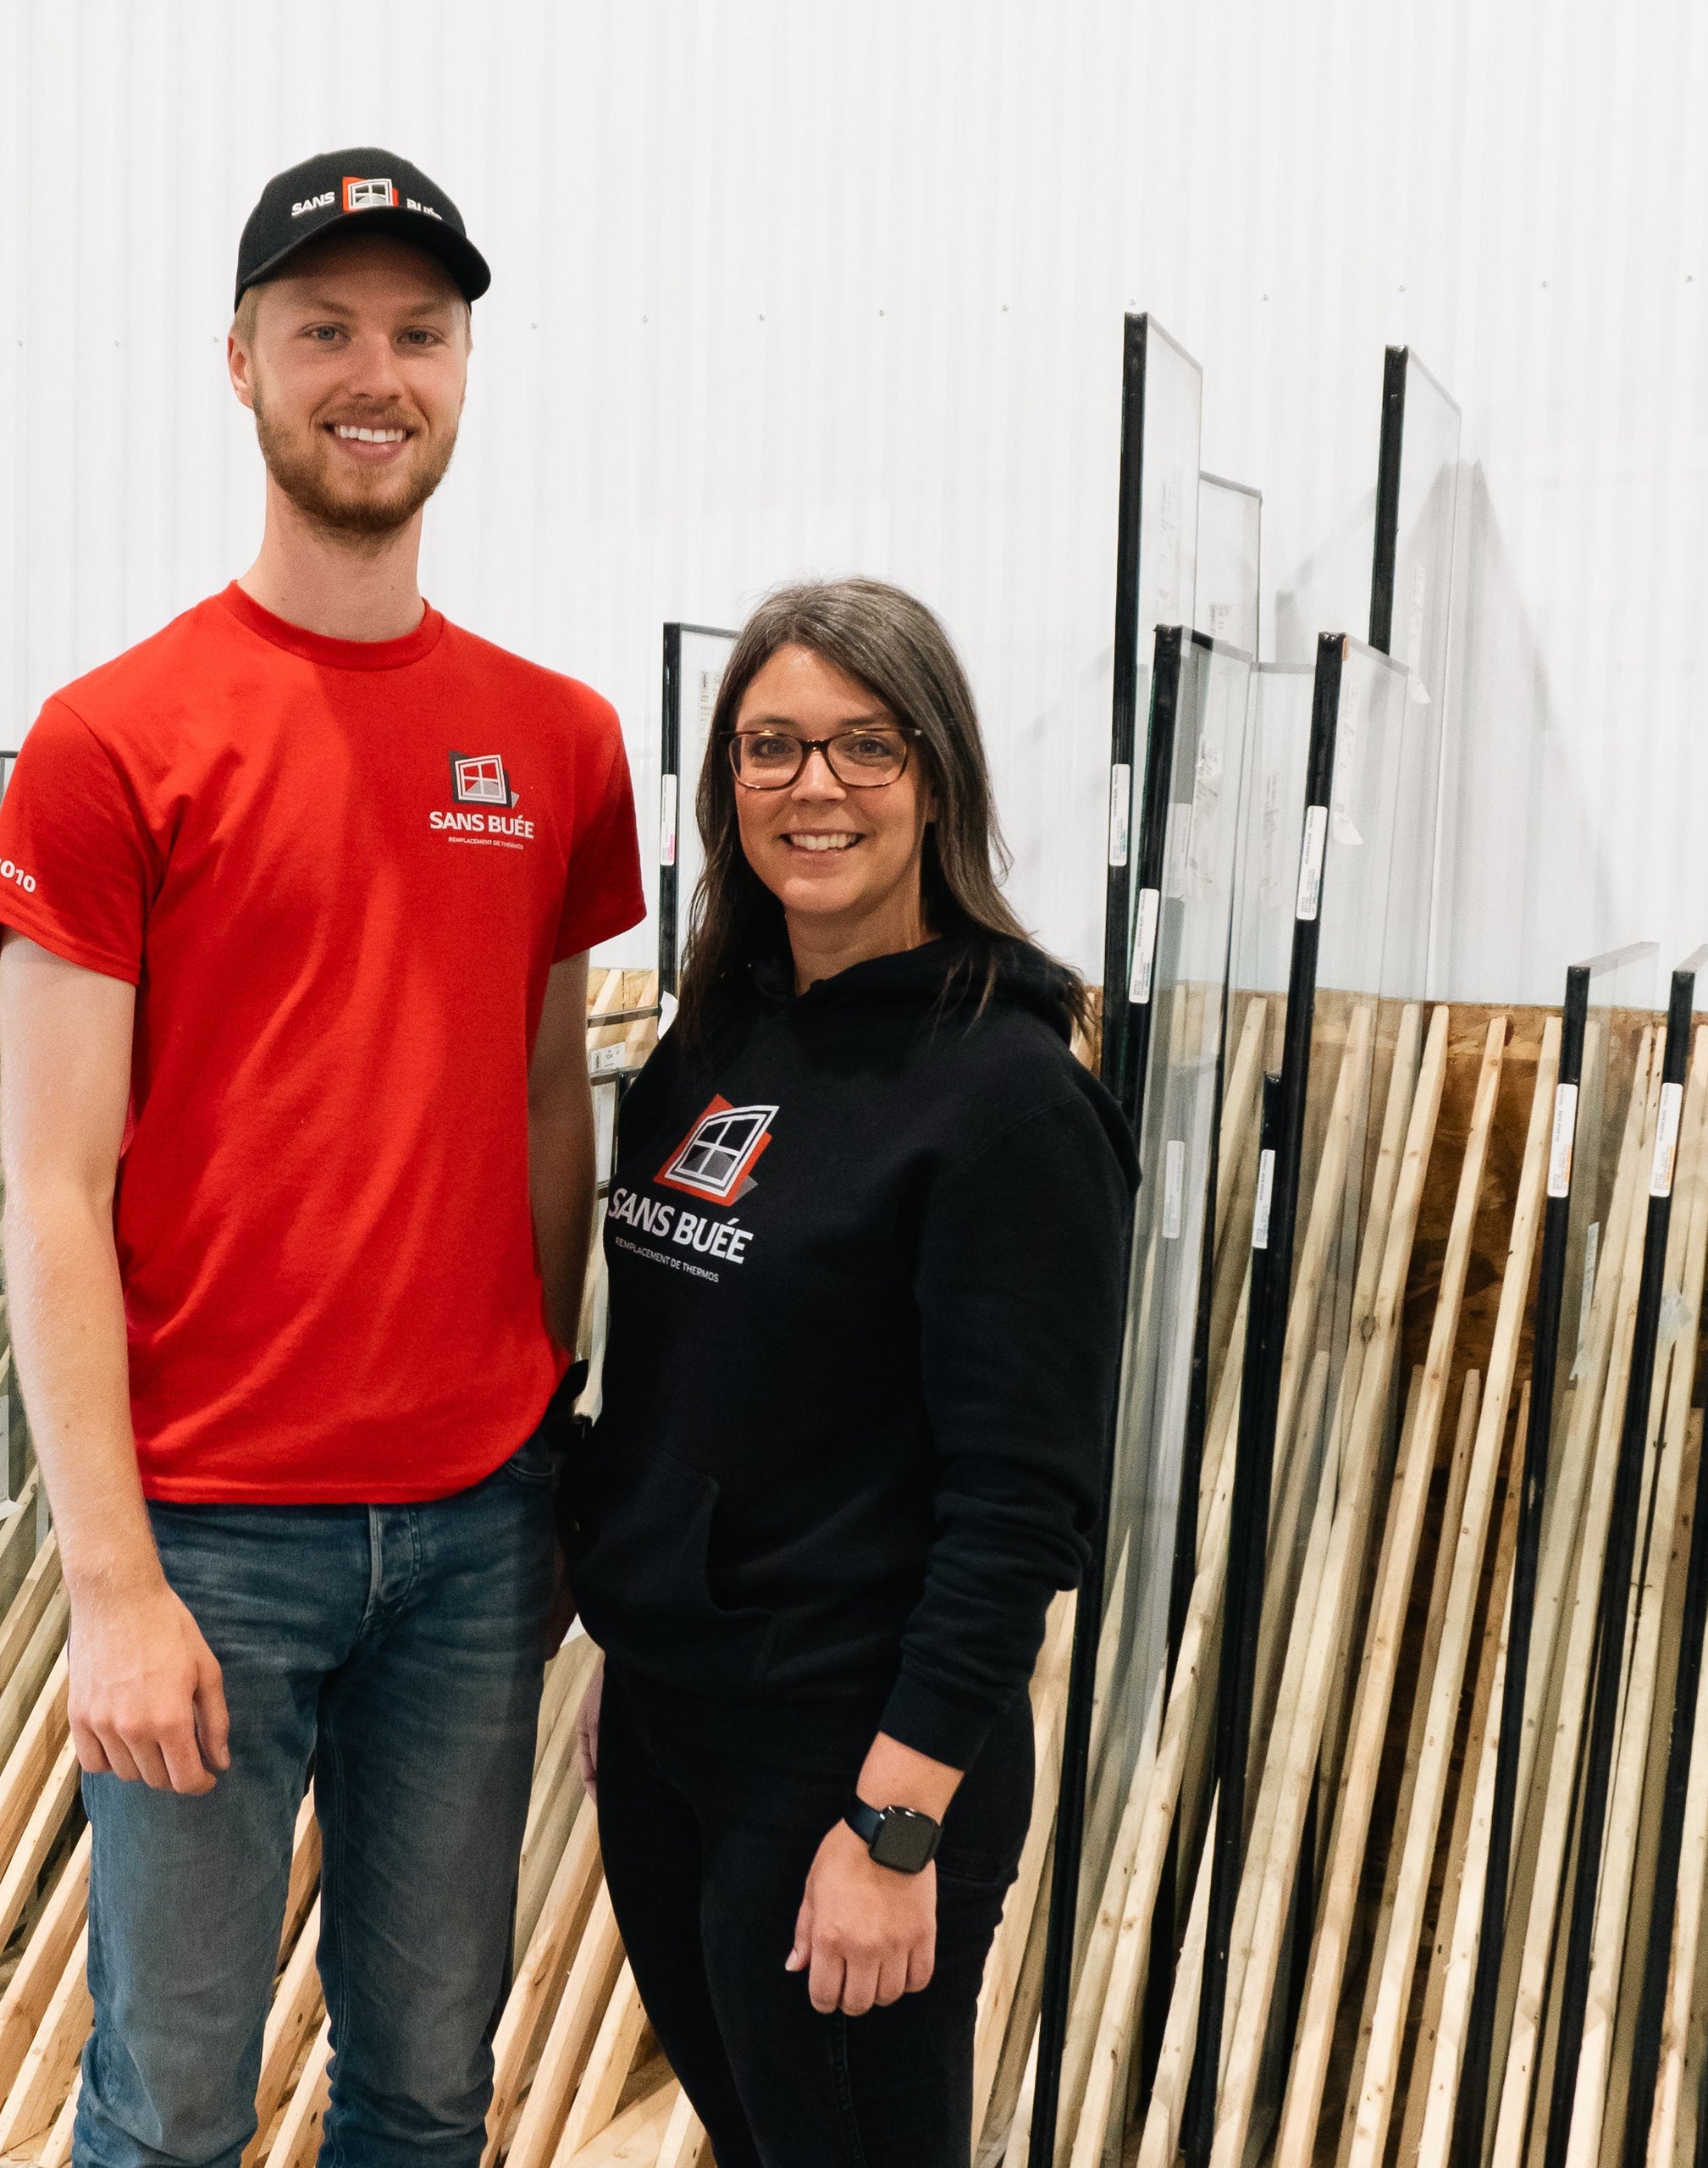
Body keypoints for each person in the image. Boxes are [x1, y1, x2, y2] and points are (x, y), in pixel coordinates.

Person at [0, 147, 641, 2168]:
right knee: (169, 2101)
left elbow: (544, 1107)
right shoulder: (114, 741)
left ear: (462, 370)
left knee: (427, 2088)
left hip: (470, 1531)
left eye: (417, 333)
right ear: (241, 360)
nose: (377, 371)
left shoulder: (559, 741)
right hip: (210, 1537)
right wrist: (111, 1583)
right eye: (327, 328)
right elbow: (55, 1186)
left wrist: (534, 1429)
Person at [567, 578, 1136, 2166]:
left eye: (864, 746)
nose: (814, 788)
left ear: (937, 776)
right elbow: (682, 1391)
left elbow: (1020, 1509)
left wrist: (897, 1829)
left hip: (854, 1762)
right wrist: (646, 1632)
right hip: (679, 1734)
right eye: (773, 747)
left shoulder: (1009, 1103)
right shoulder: (712, 1045)